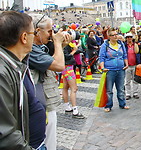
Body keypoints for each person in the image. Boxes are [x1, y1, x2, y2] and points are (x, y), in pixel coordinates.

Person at [29, 13, 71, 150]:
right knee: (47, 140)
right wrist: (58, 43)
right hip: (41, 103)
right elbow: (58, 65)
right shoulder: (31, 50)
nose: (51, 34)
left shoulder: (39, 47)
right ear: (37, 31)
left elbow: (51, 61)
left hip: (44, 100)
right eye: (49, 31)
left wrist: (61, 45)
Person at [0, 11, 38, 149]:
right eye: (34, 33)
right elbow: (5, 135)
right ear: (24, 37)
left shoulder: (12, 65)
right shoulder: (3, 73)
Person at [99, 28, 129, 112]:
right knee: (109, 89)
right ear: (109, 36)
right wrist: (103, 67)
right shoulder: (105, 45)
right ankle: (108, 105)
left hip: (120, 69)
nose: (116, 36)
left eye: (117, 34)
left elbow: (124, 55)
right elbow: (101, 57)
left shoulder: (121, 44)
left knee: (121, 88)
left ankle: (123, 103)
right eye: (113, 35)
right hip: (110, 70)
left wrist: (126, 64)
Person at [62, 42, 85, 118]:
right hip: (68, 67)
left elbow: (79, 50)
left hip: (66, 67)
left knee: (65, 87)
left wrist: (76, 47)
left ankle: (67, 106)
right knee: (74, 88)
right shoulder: (64, 45)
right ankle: (75, 110)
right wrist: (74, 51)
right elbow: (66, 56)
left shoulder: (66, 44)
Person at [124, 32, 140, 100]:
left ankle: (135, 93)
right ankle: (128, 93)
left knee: (135, 80)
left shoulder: (135, 45)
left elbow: (137, 52)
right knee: (127, 80)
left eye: (130, 37)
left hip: (135, 64)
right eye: (128, 37)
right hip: (127, 65)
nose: (129, 38)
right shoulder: (124, 45)